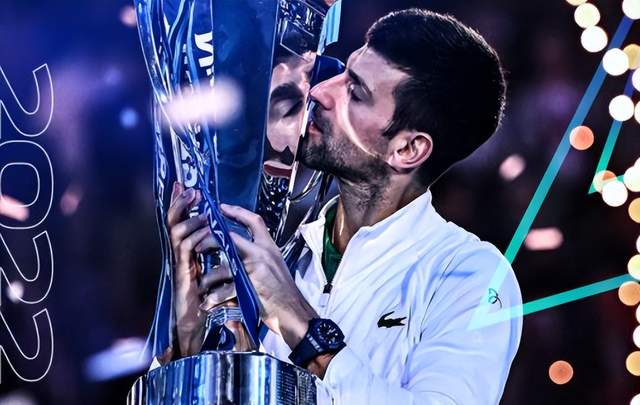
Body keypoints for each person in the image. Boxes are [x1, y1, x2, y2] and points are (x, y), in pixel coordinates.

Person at [166, 9, 522, 404]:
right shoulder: (278, 252)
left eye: (355, 92)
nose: (320, 91)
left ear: (408, 149)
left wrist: (299, 321)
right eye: (344, 73)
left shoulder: (469, 276)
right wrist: (189, 345)